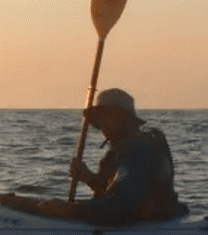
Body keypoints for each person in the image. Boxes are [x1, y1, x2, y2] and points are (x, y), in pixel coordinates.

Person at [18, 88, 187, 225]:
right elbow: (118, 191)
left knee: (49, 208)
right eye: (99, 119)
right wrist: (88, 178)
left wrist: (71, 210)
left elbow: (121, 208)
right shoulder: (128, 147)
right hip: (142, 218)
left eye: (105, 117)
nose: (100, 125)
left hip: (144, 225)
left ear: (121, 117)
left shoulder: (138, 149)